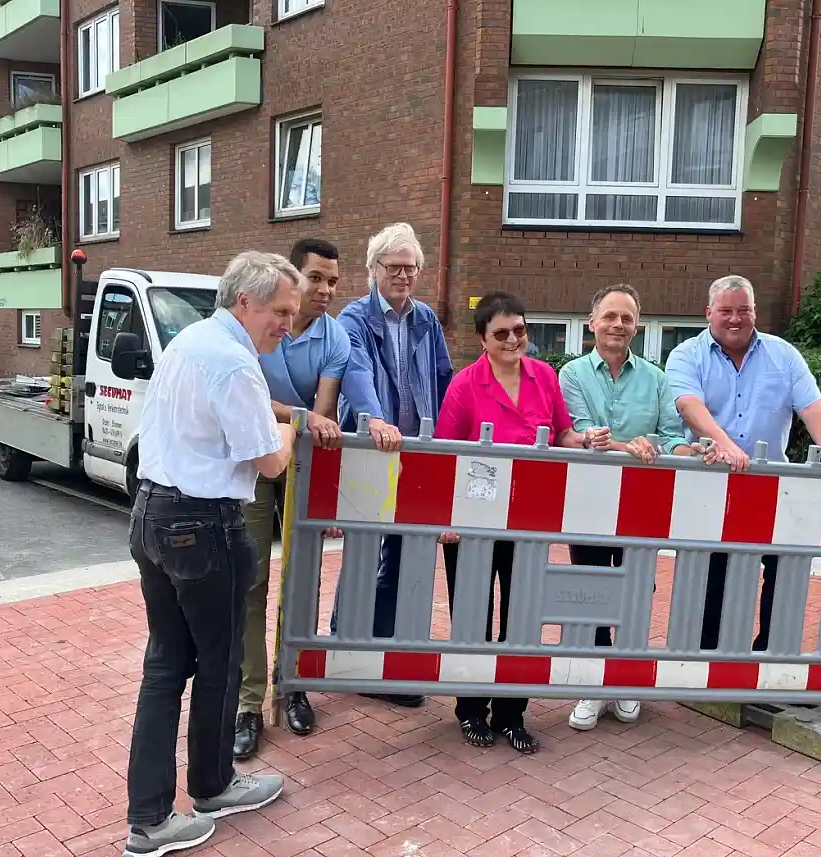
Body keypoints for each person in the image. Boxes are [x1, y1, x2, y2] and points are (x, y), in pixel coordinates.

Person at [123, 252, 303, 857]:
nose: (286, 323)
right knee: (220, 661)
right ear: (245, 303)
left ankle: (150, 817)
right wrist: (293, 426)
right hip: (204, 525)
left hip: (152, 514)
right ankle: (213, 785)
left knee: (166, 665)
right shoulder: (234, 361)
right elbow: (269, 459)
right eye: (280, 311)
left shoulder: (190, 340)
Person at [435, 292, 612, 754]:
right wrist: (447, 518)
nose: (513, 339)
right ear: (482, 340)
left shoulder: (544, 377)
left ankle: (511, 713)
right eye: (501, 333)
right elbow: (444, 454)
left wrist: (584, 439)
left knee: (521, 620)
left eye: (520, 330)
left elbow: (560, 433)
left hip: (528, 521)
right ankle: (470, 710)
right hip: (472, 523)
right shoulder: (464, 385)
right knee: (473, 619)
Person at [664, 275, 821, 652]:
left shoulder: (783, 355)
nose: (736, 319)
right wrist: (722, 444)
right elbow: (689, 405)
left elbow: (814, 407)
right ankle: (707, 658)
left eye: (744, 310)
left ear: (754, 311)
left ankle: (769, 654)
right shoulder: (686, 354)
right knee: (713, 573)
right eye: (726, 311)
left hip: (771, 485)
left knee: (783, 569)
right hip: (711, 481)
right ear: (709, 313)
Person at [558, 283, 716, 731]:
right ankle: (592, 683)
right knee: (592, 589)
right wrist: (629, 445)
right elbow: (582, 432)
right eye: (610, 316)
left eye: (627, 318)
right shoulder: (571, 375)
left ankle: (626, 679)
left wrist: (676, 448)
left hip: (641, 502)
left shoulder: (657, 377)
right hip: (589, 499)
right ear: (592, 323)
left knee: (636, 591)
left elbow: (670, 434)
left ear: (638, 326)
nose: (618, 325)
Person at [233, 239, 348, 761]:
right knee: (251, 578)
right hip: (255, 461)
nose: (324, 290)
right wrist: (298, 416)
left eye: (332, 281)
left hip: (302, 464)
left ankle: (293, 684)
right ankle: (249, 704)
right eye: (316, 278)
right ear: (291, 279)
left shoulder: (336, 337)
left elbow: (319, 416)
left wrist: (300, 418)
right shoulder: (260, 329)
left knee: (302, 578)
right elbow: (264, 406)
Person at [330, 222, 453, 709]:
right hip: (371, 448)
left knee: (406, 554)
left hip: (417, 452)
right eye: (394, 267)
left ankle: (385, 655)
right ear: (373, 269)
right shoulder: (354, 318)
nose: (404, 276)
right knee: (364, 548)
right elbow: (355, 371)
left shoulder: (426, 319)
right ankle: (347, 646)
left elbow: (443, 380)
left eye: (411, 268)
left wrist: (445, 438)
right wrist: (374, 418)